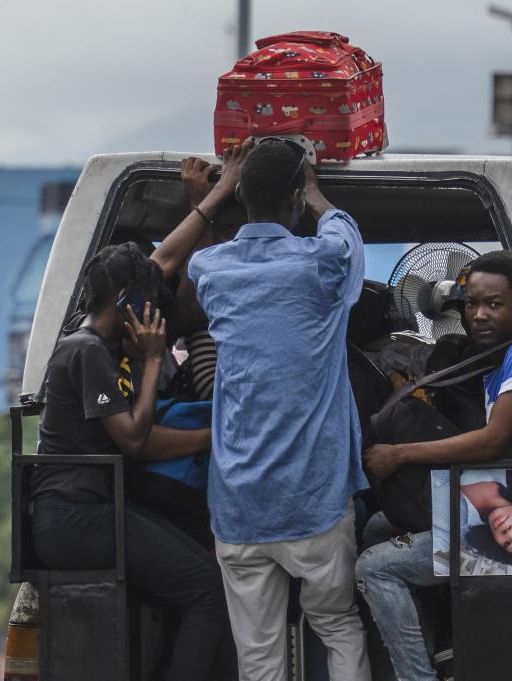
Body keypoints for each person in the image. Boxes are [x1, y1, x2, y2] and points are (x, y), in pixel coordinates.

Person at [188, 139, 371, 681]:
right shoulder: (322, 265)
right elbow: (342, 237)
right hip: (313, 496)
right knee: (336, 623)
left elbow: (210, 257)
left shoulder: (210, 270)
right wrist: (317, 196)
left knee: (259, 655)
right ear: (295, 197)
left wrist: (214, 194)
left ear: (240, 194)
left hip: (239, 504)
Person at [357, 249, 512, 681]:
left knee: (373, 569)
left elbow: (493, 441)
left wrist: (400, 453)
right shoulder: (502, 354)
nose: (479, 315)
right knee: (379, 527)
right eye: (471, 304)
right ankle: (443, 648)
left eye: (494, 304)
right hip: (506, 501)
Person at [29, 248, 230, 681]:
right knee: (209, 590)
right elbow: (136, 438)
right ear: (124, 300)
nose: (152, 312)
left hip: (95, 509)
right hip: (75, 515)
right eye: (145, 301)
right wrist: (155, 359)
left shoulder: (105, 348)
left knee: (199, 567)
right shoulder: (85, 350)